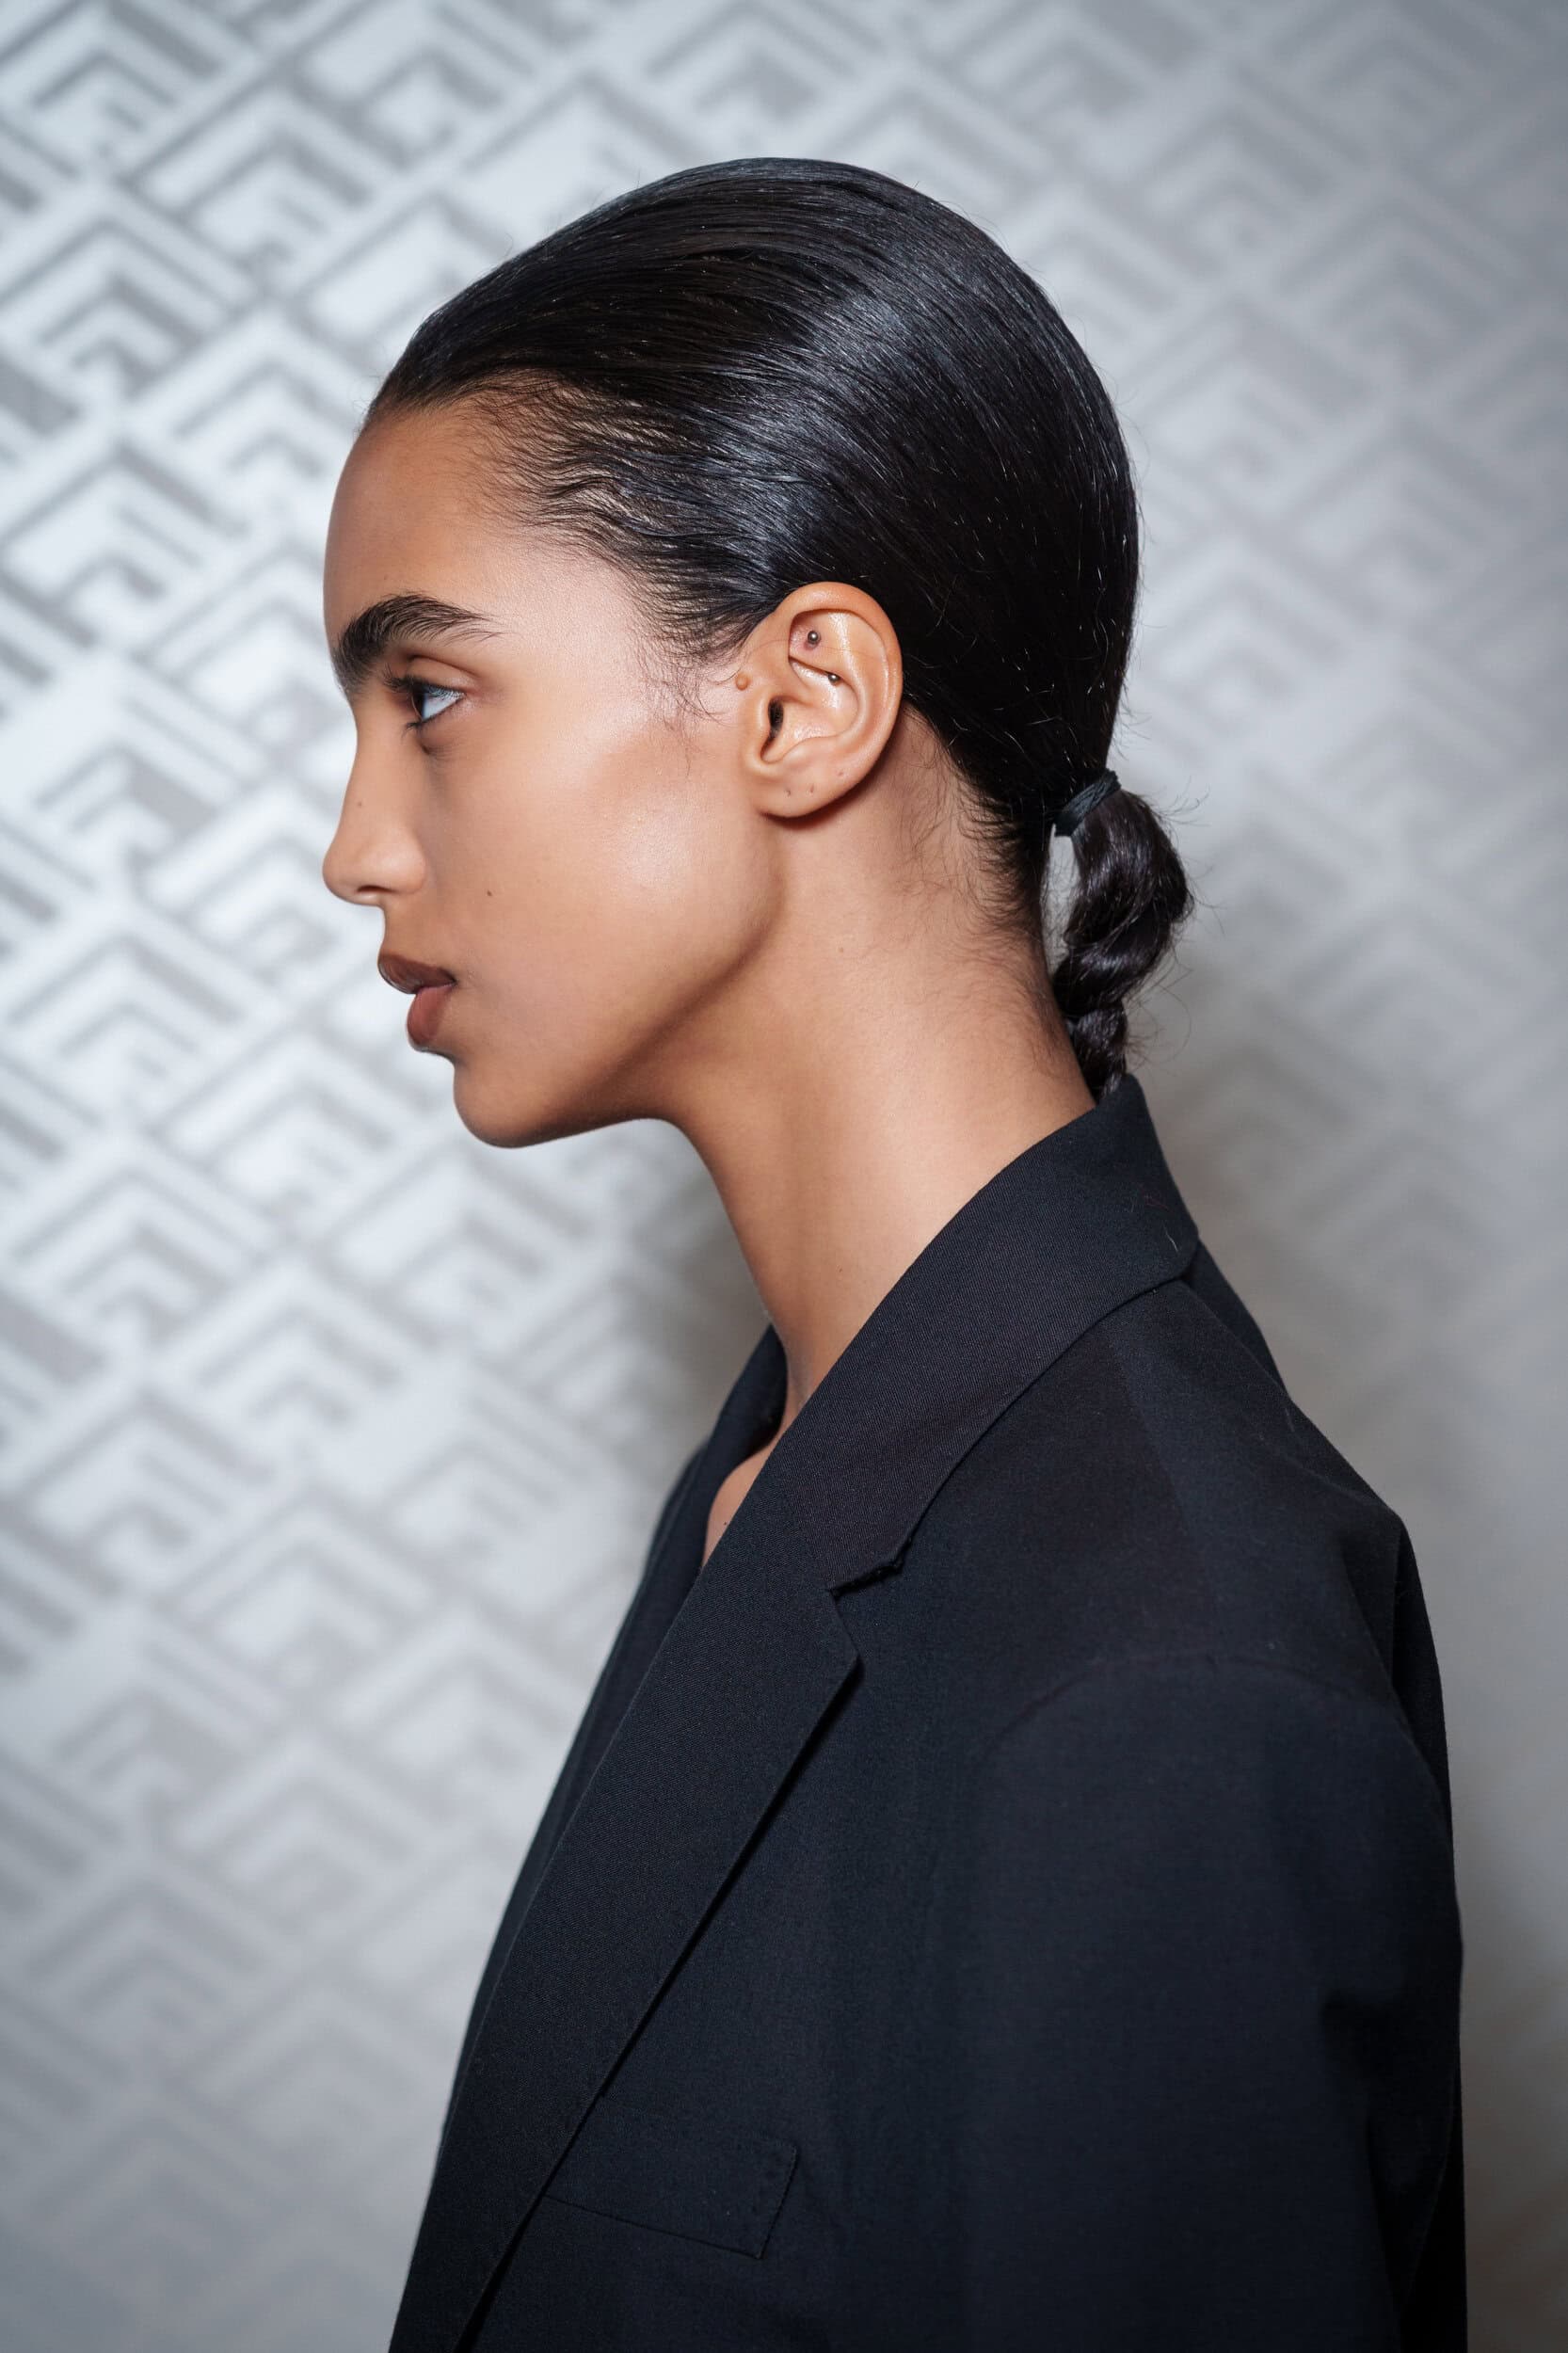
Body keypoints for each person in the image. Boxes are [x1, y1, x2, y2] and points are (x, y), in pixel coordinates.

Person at [320, 156, 1464, 2353]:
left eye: (430, 695)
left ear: (803, 698)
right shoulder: (791, 1468)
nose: (355, 843)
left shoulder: (1158, 1669)